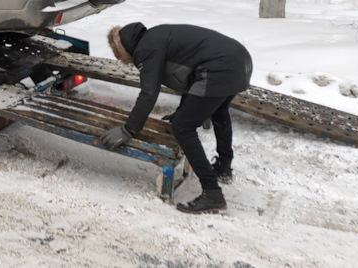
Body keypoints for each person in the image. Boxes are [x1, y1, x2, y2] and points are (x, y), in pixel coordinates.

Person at [100, 23, 252, 214]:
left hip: (220, 68)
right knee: (219, 113)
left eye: (117, 53)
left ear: (123, 48)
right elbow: (192, 74)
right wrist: (183, 109)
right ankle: (224, 168)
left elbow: (149, 92)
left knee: (182, 127)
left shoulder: (145, 49)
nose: (117, 58)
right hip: (239, 60)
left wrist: (128, 129)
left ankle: (213, 195)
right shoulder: (156, 36)